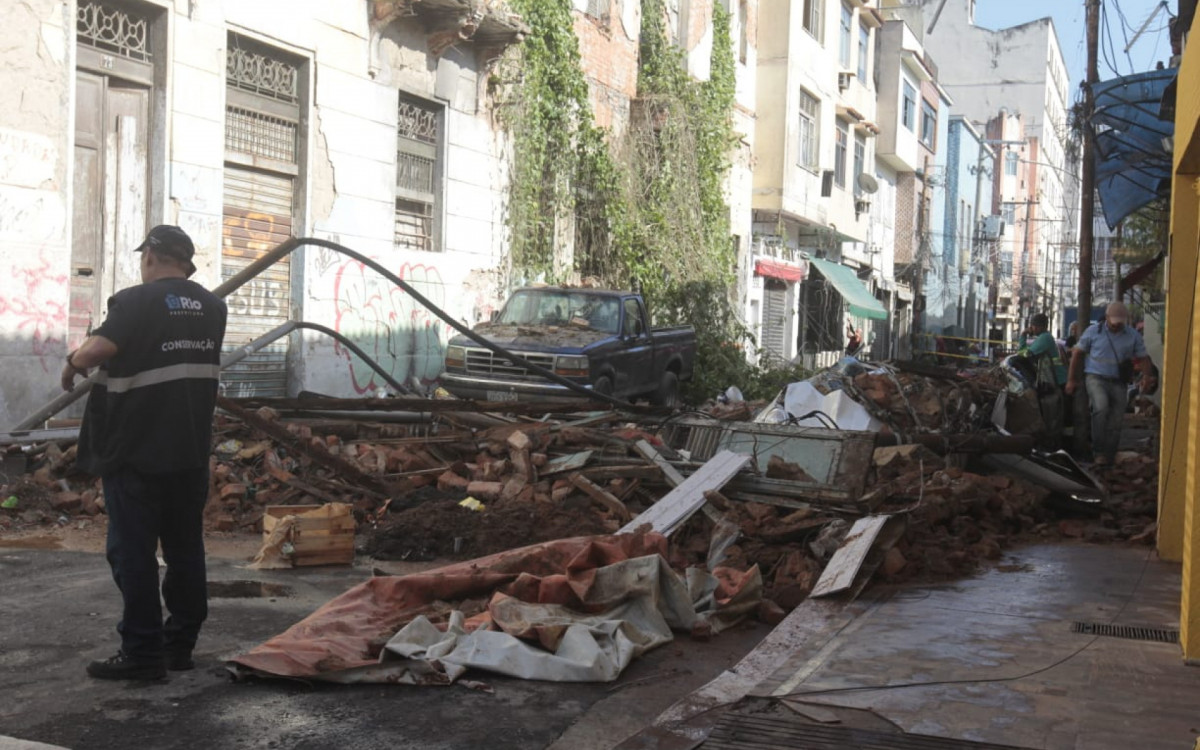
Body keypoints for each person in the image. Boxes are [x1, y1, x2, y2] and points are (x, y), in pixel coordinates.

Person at [61, 225, 227, 680]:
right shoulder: (214, 307)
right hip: (189, 451)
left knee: (132, 553)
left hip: (136, 452)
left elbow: (101, 348)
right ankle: (179, 646)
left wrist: (73, 361)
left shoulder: (134, 301)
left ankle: (142, 653)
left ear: (151, 255)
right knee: (185, 551)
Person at [1065, 301, 1152, 466]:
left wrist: (1147, 377)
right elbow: (1077, 355)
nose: (1117, 327)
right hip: (1095, 377)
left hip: (1119, 382)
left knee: (1116, 419)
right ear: (1106, 318)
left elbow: (1144, 358)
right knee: (1101, 407)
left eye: (1120, 323)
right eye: (1114, 324)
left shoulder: (1132, 335)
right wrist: (1071, 380)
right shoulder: (1093, 332)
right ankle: (1098, 452)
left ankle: (1109, 455)